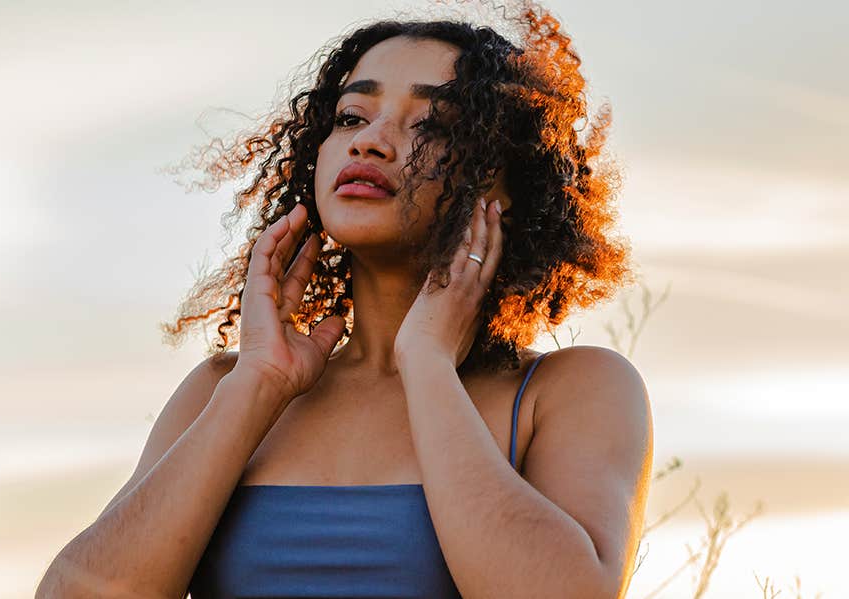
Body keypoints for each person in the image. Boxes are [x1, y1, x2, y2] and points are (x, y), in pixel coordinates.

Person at [37, 3, 653, 598]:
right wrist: (258, 384)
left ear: (506, 185)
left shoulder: (572, 390)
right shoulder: (223, 389)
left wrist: (429, 363)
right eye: (352, 117)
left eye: (433, 124)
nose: (372, 143)